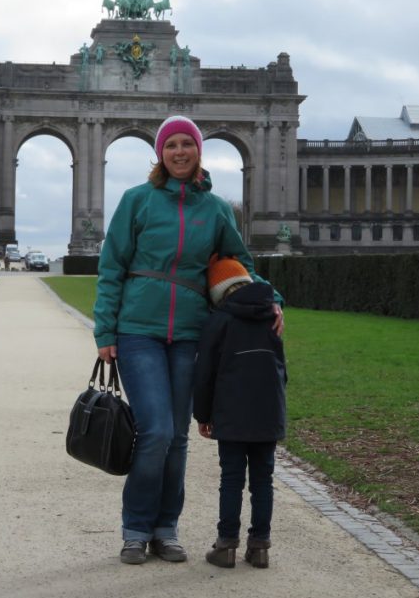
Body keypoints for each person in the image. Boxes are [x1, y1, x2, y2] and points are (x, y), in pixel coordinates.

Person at [93, 115, 284, 566]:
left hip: (191, 332)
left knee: (178, 435)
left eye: (188, 144)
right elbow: (112, 266)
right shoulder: (137, 201)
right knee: (155, 430)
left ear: (199, 151)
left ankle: (166, 528)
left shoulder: (216, 209)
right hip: (138, 329)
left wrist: (271, 297)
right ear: (160, 153)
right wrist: (105, 330)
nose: (180, 151)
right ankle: (136, 528)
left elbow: (239, 263)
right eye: (171, 144)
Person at [193, 255, 287, 570]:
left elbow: (204, 373)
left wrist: (202, 415)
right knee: (263, 479)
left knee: (231, 479)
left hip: (230, 411)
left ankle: (226, 544)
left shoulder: (219, 320)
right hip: (267, 412)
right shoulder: (271, 315)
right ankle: (260, 545)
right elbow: (281, 369)